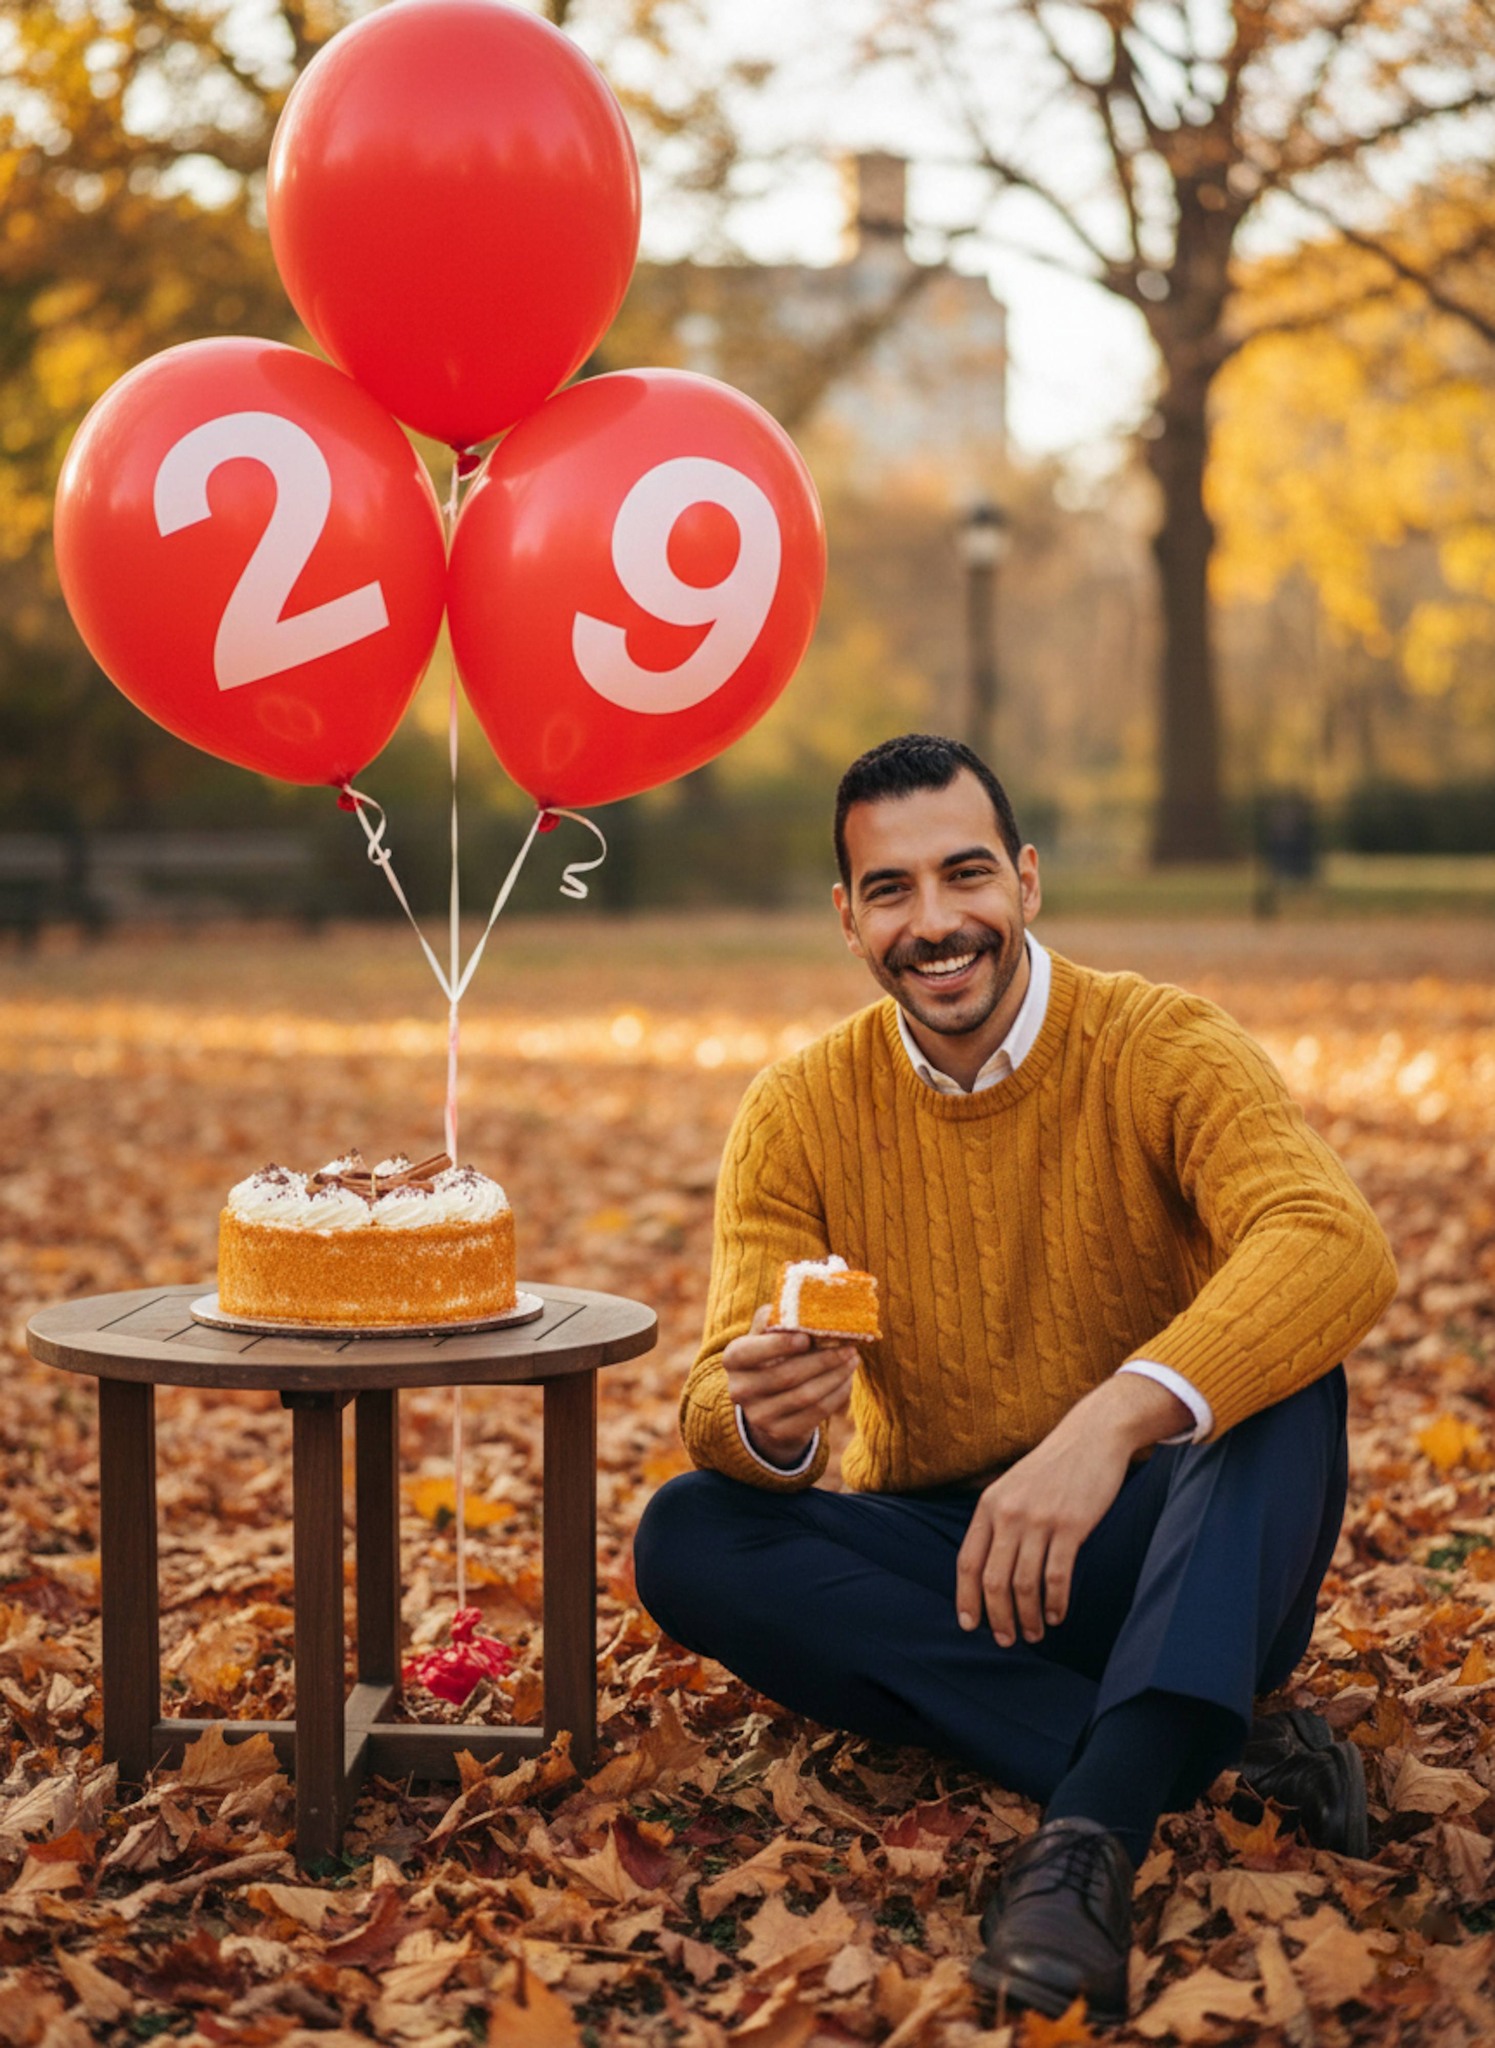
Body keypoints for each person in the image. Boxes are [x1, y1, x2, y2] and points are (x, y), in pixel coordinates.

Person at [633, 734, 1397, 2026]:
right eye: (890, 890)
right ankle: (1201, 1753)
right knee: (686, 1533)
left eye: (965, 876)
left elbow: (1334, 1243)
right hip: (956, 1557)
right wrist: (759, 1419)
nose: (935, 925)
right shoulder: (800, 1108)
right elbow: (719, 1389)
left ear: (1028, 883)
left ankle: (1087, 1837)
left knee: (1284, 1382)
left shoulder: (1162, 1043)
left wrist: (1112, 1420)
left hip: (1172, 1537)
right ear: (847, 915)